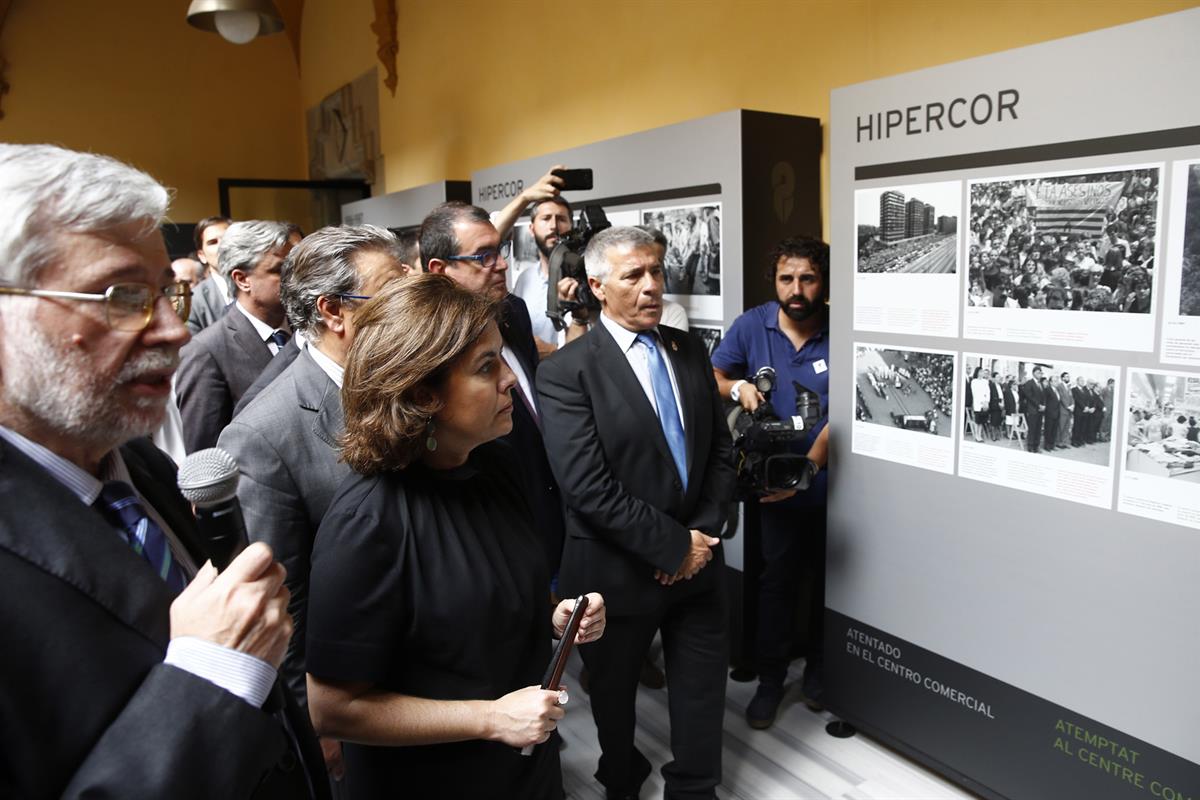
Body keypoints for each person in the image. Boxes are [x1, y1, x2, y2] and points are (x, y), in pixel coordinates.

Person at [0, 143, 328, 799]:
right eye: (123, 296)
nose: (175, 330)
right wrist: (207, 679)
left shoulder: (141, 465)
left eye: (166, 293)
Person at [305, 274, 605, 800]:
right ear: (423, 393)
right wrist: (489, 719)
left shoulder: (495, 464)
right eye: (487, 366)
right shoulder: (368, 522)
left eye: (503, 358)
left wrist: (554, 616)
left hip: (522, 767)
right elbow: (332, 708)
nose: (511, 379)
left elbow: (479, 600)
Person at [537, 226, 734, 800]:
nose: (651, 287)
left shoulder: (688, 349)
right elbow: (587, 487)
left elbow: (721, 453)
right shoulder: (566, 372)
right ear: (597, 286)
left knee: (700, 691)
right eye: (633, 276)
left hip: (699, 565)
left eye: (657, 272)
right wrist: (674, 548)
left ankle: (695, 788)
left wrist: (699, 537)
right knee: (614, 698)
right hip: (615, 574)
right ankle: (620, 777)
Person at [218, 224, 407, 788]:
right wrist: (317, 724)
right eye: (391, 292)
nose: (409, 303)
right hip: (359, 699)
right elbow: (283, 601)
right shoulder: (263, 434)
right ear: (333, 311)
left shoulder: (403, 380)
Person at [711, 236, 830, 729]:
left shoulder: (842, 329)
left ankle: (823, 673)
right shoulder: (752, 324)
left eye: (807, 278)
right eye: (787, 278)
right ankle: (770, 680)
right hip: (773, 485)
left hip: (832, 482)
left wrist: (813, 469)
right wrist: (738, 387)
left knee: (833, 584)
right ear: (774, 281)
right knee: (776, 583)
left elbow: (845, 412)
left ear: (823, 281)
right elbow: (711, 374)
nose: (796, 289)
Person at [421, 201, 566, 578]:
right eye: (483, 256)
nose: (501, 265)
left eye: (499, 251)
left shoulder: (512, 311)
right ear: (439, 270)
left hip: (545, 506)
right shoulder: (427, 350)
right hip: (488, 530)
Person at [176, 220, 294, 452]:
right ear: (242, 279)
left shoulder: (308, 331)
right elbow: (206, 454)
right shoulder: (205, 351)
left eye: (294, 267)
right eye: (279, 270)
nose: (294, 278)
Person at [186, 214, 233, 334]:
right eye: (213, 242)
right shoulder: (194, 301)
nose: (222, 246)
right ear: (202, 256)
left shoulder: (261, 285)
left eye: (227, 238)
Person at [1020, 366, 1048, 453]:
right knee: (1032, 429)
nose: (1039, 375)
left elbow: (1044, 397)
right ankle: (1030, 446)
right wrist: (1038, 405)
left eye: (1040, 373)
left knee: (1038, 429)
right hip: (1033, 409)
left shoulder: (1041, 384)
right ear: (1033, 373)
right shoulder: (1029, 383)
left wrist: (1044, 405)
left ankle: (1036, 446)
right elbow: (1029, 397)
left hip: (1040, 410)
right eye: (1038, 373)